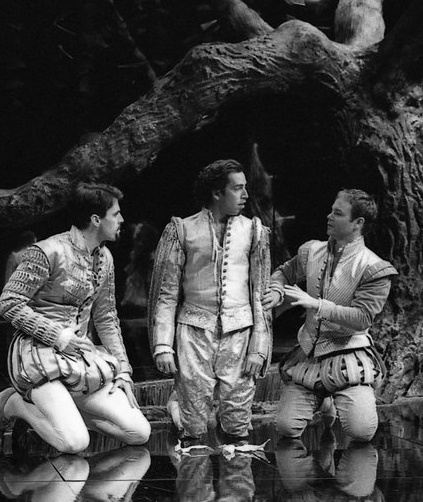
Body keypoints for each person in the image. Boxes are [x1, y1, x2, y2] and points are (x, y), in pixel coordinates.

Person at [0, 183, 150, 453]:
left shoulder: (104, 258)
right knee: (74, 443)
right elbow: (9, 302)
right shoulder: (48, 251)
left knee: (138, 432)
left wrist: (123, 370)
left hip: (79, 360)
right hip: (39, 355)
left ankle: (63, 409)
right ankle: (15, 404)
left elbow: (106, 317)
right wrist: (58, 336)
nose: (121, 220)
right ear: (96, 220)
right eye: (116, 213)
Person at [148, 159, 271, 446]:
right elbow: (167, 293)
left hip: (240, 333)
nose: (245, 196)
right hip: (193, 331)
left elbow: (260, 294)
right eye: (238, 188)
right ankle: (193, 481)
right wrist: (163, 345)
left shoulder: (254, 230)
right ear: (217, 193)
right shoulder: (183, 229)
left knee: (238, 418)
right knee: (194, 422)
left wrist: (260, 348)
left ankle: (238, 487)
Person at [264, 189, 397, 442]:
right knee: (285, 428)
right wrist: (277, 290)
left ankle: (340, 398)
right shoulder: (311, 251)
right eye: (331, 209)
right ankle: (323, 400)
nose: (329, 216)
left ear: (358, 223)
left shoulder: (374, 268)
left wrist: (317, 305)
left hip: (348, 355)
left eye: (337, 213)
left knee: (361, 432)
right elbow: (284, 272)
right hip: (309, 354)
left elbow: (362, 318)